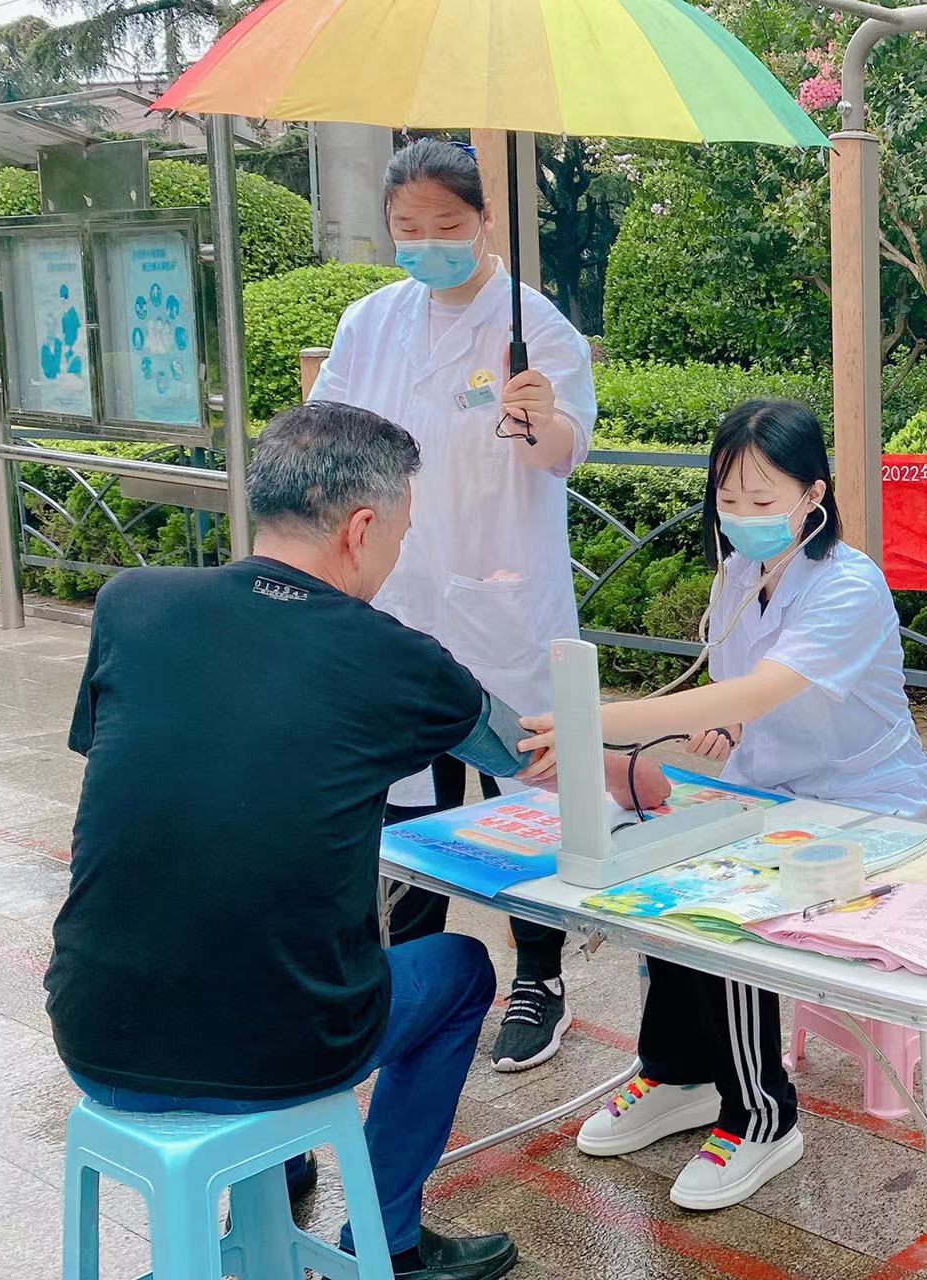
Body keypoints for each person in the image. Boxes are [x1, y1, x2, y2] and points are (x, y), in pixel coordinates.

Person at [45, 403, 531, 1280]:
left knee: (229, 927)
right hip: (288, 1049)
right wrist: (630, 764)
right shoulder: (395, 657)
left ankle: (277, 1169)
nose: (396, 556)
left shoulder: (132, 604)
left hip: (93, 1036)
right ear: (362, 529)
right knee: (461, 971)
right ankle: (391, 1244)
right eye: (400, 536)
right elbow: (519, 751)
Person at [516, 400, 927, 1212]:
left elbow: (763, 686)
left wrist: (593, 721)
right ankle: (679, 1075)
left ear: (814, 495)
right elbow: (735, 692)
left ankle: (761, 1112)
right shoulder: (740, 575)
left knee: (725, 903)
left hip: (864, 807)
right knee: (667, 873)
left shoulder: (849, 586)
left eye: (762, 499)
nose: (742, 516)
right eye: (728, 499)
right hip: (769, 794)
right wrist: (726, 722)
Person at [310, 136, 599, 1073]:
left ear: (484, 221)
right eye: (408, 227)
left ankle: (539, 977)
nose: (426, 242)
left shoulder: (535, 324)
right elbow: (332, 435)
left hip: (502, 601)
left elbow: (564, 453)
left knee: (522, 795)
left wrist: (539, 419)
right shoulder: (370, 322)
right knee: (406, 799)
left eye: (446, 224)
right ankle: (409, 979)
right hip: (395, 594)